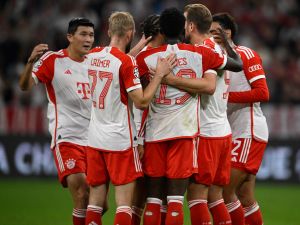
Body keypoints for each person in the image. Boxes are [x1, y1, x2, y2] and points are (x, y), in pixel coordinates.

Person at [136, 7, 240, 225]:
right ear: (183, 28)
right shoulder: (200, 53)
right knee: (176, 199)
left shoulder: (145, 58)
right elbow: (236, 65)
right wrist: (228, 44)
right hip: (185, 134)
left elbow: (126, 72)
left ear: (161, 31)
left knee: (153, 199)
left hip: (155, 133)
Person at [84, 11, 176, 225]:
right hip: (119, 141)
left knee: (95, 203)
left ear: (108, 31)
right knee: (125, 204)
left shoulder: (93, 55)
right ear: (131, 33)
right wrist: (160, 74)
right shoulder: (126, 63)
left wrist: (139, 47)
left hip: (94, 139)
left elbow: (118, 62)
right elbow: (141, 101)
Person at [19, 18, 96, 225]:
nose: (88, 39)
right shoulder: (53, 60)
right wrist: (30, 62)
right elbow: (25, 86)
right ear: (70, 37)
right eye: (83, 34)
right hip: (67, 137)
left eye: (91, 35)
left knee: (99, 204)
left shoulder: (96, 61)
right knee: (82, 191)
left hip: (95, 139)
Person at [210, 13, 269, 225]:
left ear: (228, 33)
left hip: (248, 130)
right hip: (232, 131)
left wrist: (225, 96)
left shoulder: (245, 54)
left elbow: (263, 92)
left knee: (223, 193)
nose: (210, 36)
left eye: (214, 32)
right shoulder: (216, 59)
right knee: (244, 197)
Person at [180, 4, 235, 225]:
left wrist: (170, 79)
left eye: (184, 22)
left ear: (191, 25)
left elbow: (207, 86)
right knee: (215, 196)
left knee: (196, 195)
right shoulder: (218, 49)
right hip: (222, 130)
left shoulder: (202, 51)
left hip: (207, 132)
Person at [131, 14, 166, 225]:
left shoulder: (153, 55)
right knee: (141, 196)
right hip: (143, 132)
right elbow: (138, 103)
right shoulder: (143, 59)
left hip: (154, 131)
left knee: (156, 195)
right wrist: (138, 139)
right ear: (160, 32)